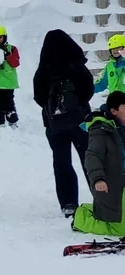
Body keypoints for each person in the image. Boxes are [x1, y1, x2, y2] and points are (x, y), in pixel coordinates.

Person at [33, 29, 94, 217]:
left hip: (55, 124)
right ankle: (101, 197)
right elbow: (88, 89)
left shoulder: (43, 70)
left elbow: (38, 97)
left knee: (61, 162)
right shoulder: (76, 66)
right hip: (80, 121)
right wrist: (77, 104)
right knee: (90, 160)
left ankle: (68, 203)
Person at [73, 91, 125, 236]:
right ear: (114, 111)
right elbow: (93, 156)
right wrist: (98, 179)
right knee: (120, 230)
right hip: (114, 187)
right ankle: (81, 217)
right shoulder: (101, 130)